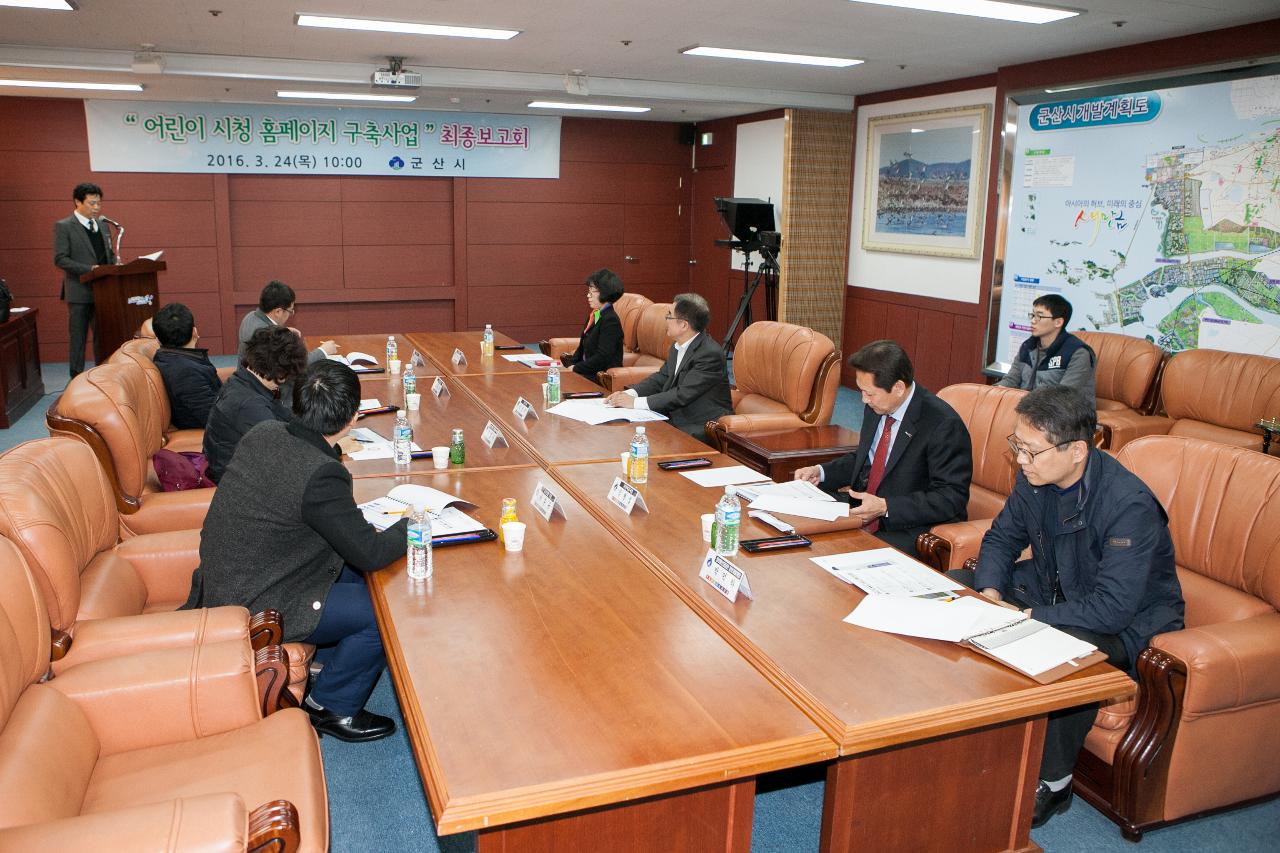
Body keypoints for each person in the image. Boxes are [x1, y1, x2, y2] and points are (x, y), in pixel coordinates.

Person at [959, 384, 1183, 828]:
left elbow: (1113, 608)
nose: (1020, 460)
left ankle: (1054, 784)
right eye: (1016, 446)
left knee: (1064, 648)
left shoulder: (1128, 505)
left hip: (1125, 625)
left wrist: (1027, 618)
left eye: (1031, 451)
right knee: (957, 590)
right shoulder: (1036, 479)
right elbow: (1003, 539)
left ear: (1077, 449)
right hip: (1054, 591)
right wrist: (988, 594)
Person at [183, 359, 407, 742]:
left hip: (228, 576)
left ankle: (329, 667)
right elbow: (369, 551)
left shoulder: (265, 432)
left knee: (357, 575)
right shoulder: (321, 473)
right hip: (257, 601)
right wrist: (414, 525)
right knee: (382, 610)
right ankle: (332, 707)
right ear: (353, 418)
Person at [794, 340, 971, 554]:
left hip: (908, 524)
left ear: (898, 387)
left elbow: (951, 497)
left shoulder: (942, 424)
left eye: (869, 393)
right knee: (799, 522)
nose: (863, 400)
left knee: (845, 552)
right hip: (865, 506)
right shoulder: (877, 406)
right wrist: (821, 473)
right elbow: (866, 458)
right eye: (861, 391)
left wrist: (886, 506)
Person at [605, 292, 732, 440]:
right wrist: (631, 394)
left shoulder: (709, 354)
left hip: (699, 425)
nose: (666, 320)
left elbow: (682, 394)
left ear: (684, 325)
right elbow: (662, 377)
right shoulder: (678, 346)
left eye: (669, 316)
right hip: (673, 417)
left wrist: (635, 403)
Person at [203, 325, 308, 483]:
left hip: (236, 468)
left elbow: (287, 418)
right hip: (235, 484)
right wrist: (331, 445)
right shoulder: (250, 405)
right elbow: (283, 454)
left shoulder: (243, 381)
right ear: (281, 373)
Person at [53, 182, 116, 377]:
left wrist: (114, 266)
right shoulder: (64, 226)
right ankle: (76, 377)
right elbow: (60, 258)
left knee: (102, 337)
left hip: (102, 291)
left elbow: (108, 255)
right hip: (79, 291)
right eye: (92, 203)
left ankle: (103, 375)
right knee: (78, 338)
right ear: (77, 202)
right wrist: (90, 269)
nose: (97, 208)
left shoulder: (103, 226)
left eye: (98, 203)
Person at [997, 294, 1096, 405]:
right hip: (1028, 409)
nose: (1033, 321)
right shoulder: (1028, 346)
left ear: (1058, 322)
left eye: (1039, 316)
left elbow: (1064, 397)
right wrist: (993, 393)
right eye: (1032, 315)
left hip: (1065, 415)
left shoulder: (1077, 353)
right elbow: (1011, 380)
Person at [151, 302, 222, 430]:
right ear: (195, 332)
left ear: (158, 340)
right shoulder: (185, 372)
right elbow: (214, 418)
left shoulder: (168, 359)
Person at [238, 280, 337, 364]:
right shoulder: (268, 336)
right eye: (290, 311)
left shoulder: (250, 316)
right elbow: (295, 365)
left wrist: (282, 330)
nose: (291, 314)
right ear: (278, 312)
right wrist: (323, 351)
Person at [560, 268, 625, 385]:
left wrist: (576, 368)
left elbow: (603, 357)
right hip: (587, 371)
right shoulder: (596, 314)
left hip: (599, 377)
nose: (588, 295)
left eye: (591, 291)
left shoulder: (611, 320)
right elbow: (583, 347)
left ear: (605, 291)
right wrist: (570, 366)